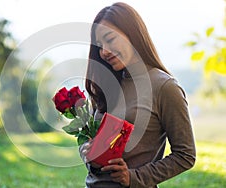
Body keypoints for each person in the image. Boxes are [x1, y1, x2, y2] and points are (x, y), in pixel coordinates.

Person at [80, 2, 196, 188]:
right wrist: (86, 151)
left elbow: (185, 155)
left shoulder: (165, 87)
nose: (104, 52)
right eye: (100, 45)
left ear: (132, 33)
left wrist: (134, 177)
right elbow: (89, 139)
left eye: (110, 39)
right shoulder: (107, 84)